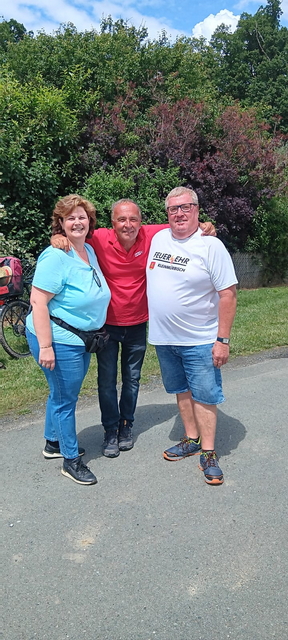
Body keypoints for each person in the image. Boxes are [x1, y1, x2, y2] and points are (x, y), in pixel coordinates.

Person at [51, 199, 215, 459]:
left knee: (132, 379)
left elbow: (184, 223)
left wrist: (205, 226)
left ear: (141, 222)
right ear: (112, 223)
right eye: (121, 220)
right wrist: (58, 237)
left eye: (133, 220)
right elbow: (75, 231)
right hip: (106, 325)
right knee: (106, 382)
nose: (128, 225)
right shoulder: (99, 238)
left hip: (138, 323)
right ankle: (110, 430)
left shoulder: (152, 235)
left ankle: (126, 425)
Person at [146, 187, 238, 485]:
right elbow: (123, 226)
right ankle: (191, 438)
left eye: (185, 207)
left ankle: (209, 452)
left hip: (200, 339)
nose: (179, 213)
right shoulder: (159, 238)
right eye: (173, 209)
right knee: (181, 391)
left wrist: (222, 340)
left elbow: (228, 294)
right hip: (164, 338)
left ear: (197, 210)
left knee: (204, 395)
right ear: (167, 214)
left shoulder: (211, 246)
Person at [26, 195, 111, 485]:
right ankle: (71, 461)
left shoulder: (87, 249)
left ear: (90, 222)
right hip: (59, 340)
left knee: (60, 393)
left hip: (81, 339)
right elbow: (38, 301)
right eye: (70, 218)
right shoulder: (56, 255)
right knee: (65, 400)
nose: (77, 222)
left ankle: (53, 443)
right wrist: (47, 347)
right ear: (60, 223)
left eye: (82, 217)